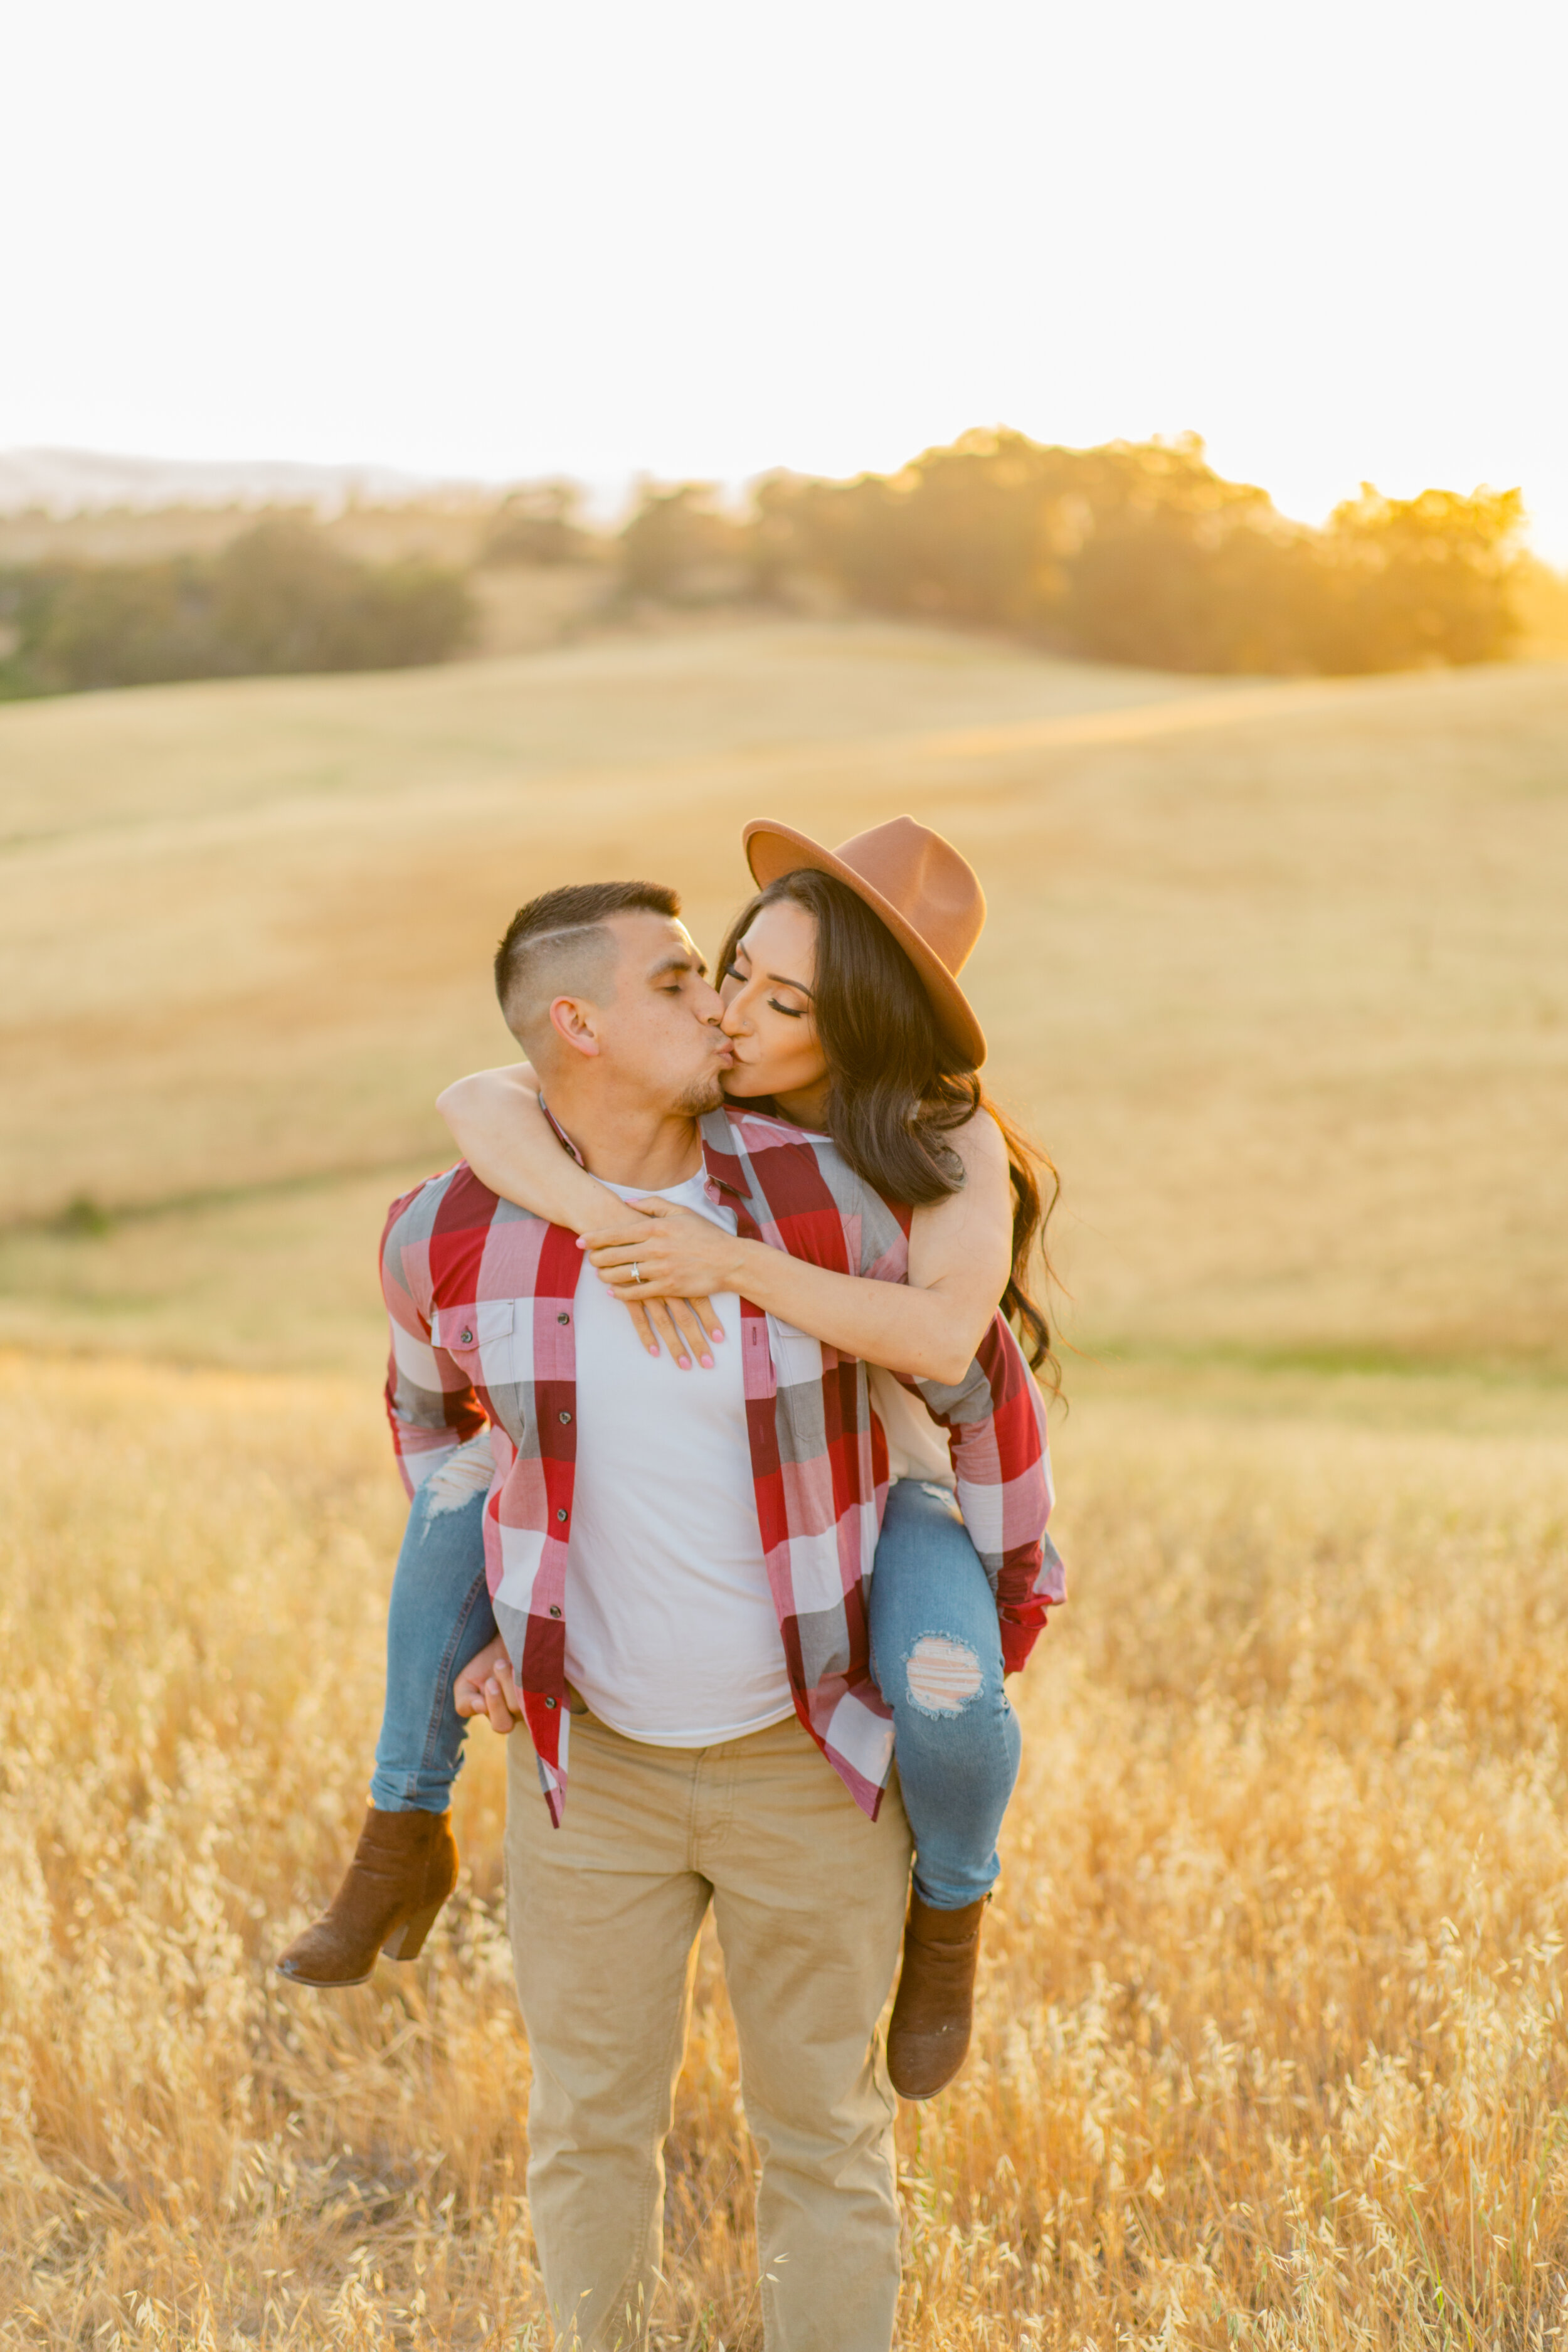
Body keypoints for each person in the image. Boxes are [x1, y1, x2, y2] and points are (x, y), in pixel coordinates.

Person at [278, 819, 1063, 2100]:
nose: (733, 1013)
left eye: (778, 996)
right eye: (732, 968)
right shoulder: (691, 1107)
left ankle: (949, 1913)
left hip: (891, 1481)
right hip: (743, 1520)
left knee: (948, 1695)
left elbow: (939, 1340)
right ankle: (399, 1826)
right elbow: (478, 1096)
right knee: (462, 1494)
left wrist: (729, 1265)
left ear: (859, 1023)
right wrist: (609, 1217)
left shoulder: (937, 1144)